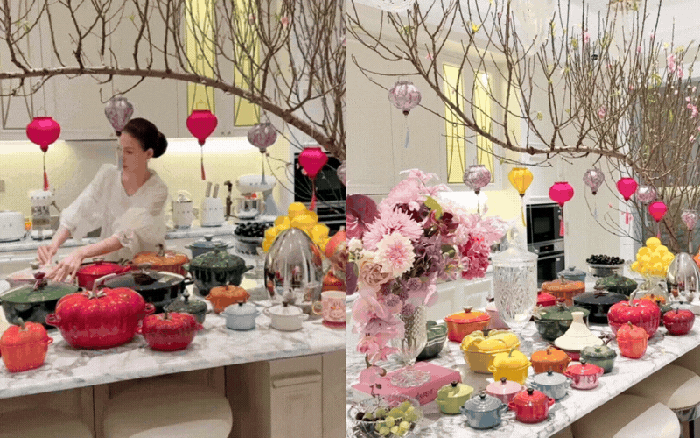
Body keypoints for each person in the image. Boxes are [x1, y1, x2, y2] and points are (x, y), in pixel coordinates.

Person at [38, 117, 169, 282]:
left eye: (129, 152)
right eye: (119, 149)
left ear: (148, 154)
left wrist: (81, 253)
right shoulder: (108, 175)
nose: (121, 157)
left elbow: (125, 235)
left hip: (146, 274)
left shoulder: (157, 189)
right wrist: (54, 244)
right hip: (111, 271)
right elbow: (80, 209)